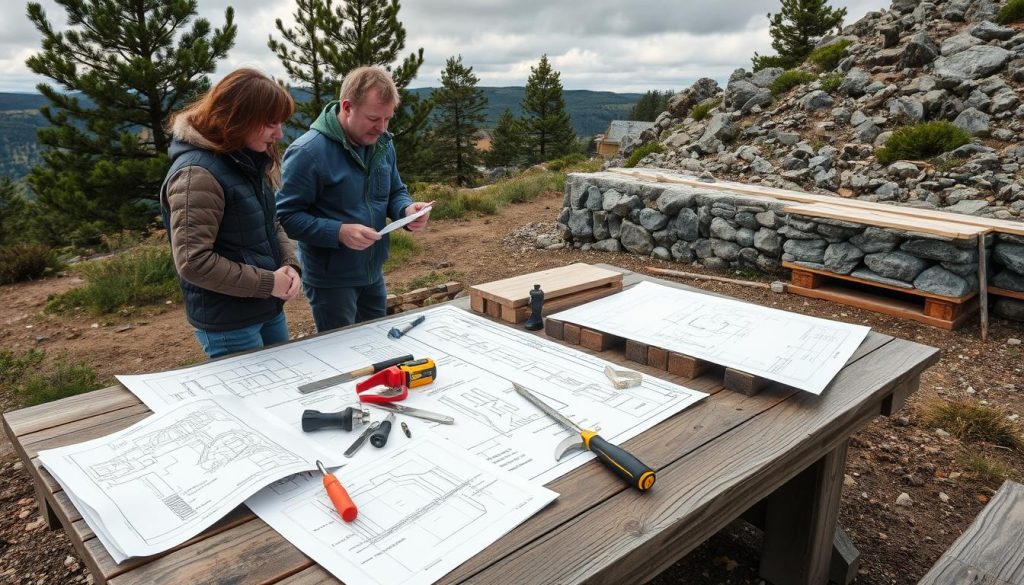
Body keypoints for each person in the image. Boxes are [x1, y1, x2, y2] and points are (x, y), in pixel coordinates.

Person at [276, 66, 431, 332]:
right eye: (374, 119)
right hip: (331, 282)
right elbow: (285, 217)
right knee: (344, 358)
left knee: (379, 346)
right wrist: (338, 232)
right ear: (347, 107)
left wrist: (406, 211)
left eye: (388, 119)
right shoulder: (307, 152)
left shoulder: (383, 143)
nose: (382, 128)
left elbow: (395, 190)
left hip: (372, 272)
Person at [160, 68, 302, 358]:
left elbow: (269, 221)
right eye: (271, 123)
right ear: (240, 118)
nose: (279, 133)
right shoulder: (197, 175)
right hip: (229, 322)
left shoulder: (246, 158)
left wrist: (289, 263)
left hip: (265, 305)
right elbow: (193, 262)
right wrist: (268, 282)